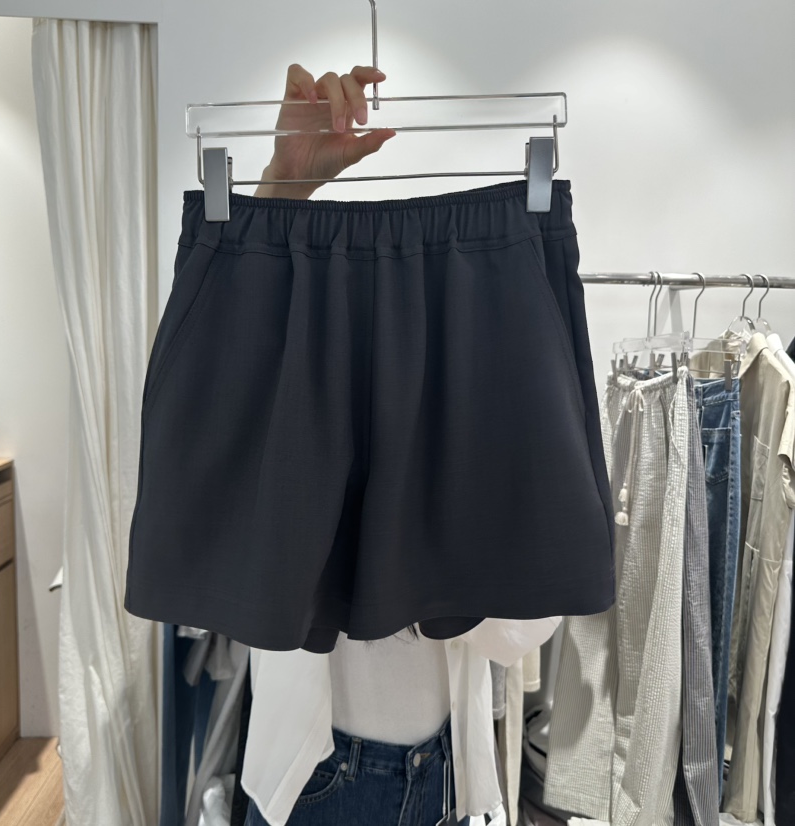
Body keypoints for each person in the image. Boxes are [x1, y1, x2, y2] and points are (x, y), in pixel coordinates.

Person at [238, 62, 563, 826]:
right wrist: (283, 184)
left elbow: (528, 621)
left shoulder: (477, 385)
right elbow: (224, 386)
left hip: (439, 763)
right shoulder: (303, 383)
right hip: (326, 769)